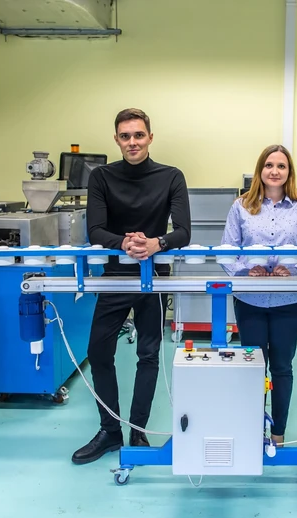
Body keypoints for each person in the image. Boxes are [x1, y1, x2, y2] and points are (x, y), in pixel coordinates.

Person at [72, 108, 191, 465]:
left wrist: (156, 244)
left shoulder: (171, 176)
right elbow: (96, 230)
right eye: (125, 136)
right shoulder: (102, 177)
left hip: (154, 277)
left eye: (139, 135)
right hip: (115, 276)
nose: (132, 142)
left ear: (150, 137)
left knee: (148, 354)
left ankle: (137, 430)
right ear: (116, 140)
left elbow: (183, 231)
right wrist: (126, 243)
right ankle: (110, 430)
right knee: (98, 352)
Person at [220, 144, 297, 446]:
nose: (274, 171)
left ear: (289, 172)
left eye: (281, 166)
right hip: (250, 301)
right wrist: (244, 270)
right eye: (269, 165)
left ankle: (277, 434)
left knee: (281, 368)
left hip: (288, 302)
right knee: (253, 367)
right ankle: (253, 432)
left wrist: (295, 270)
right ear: (260, 170)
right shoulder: (241, 207)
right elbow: (227, 252)